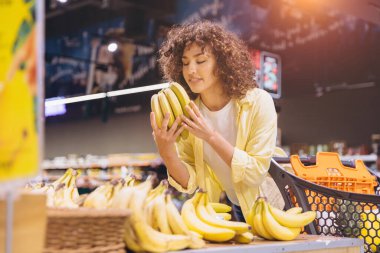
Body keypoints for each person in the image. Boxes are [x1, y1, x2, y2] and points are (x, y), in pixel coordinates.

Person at [150, 20, 279, 222]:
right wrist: (167, 151)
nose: (190, 70)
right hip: (236, 206)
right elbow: (190, 182)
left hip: (274, 206)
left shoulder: (258, 102)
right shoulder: (189, 112)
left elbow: (255, 173)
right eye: (185, 63)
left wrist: (211, 136)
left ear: (222, 63)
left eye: (200, 61)